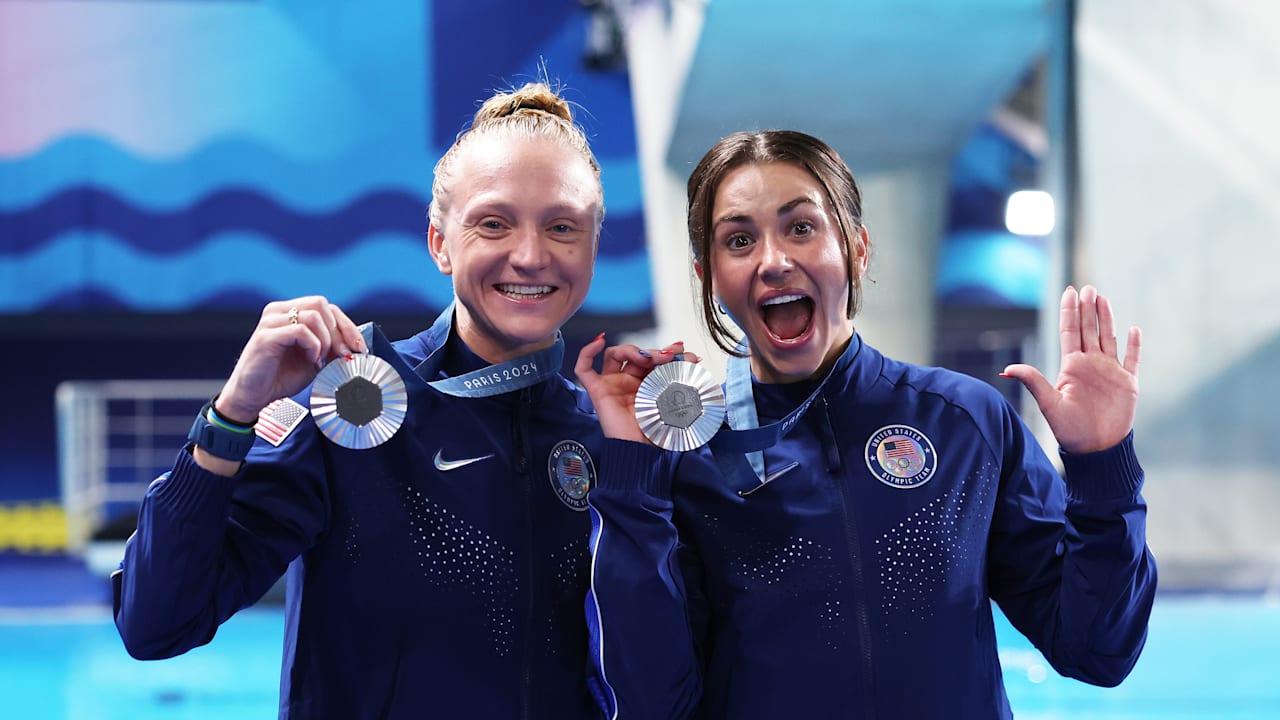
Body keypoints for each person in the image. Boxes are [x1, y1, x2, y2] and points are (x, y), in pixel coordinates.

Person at [576, 130, 1157, 719]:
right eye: (740, 239)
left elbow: (1099, 650)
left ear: (857, 248)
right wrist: (632, 478)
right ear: (709, 276)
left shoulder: (965, 423)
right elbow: (649, 701)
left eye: (801, 227)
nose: (773, 261)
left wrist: (1102, 465)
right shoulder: (687, 454)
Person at [113, 82, 650, 719]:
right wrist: (232, 416)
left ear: (592, 245)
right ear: (440, 243)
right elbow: (157, 624)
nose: (530, 256)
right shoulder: (354, 399)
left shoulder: (608, 436)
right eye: (493, 223)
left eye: (562, 226)